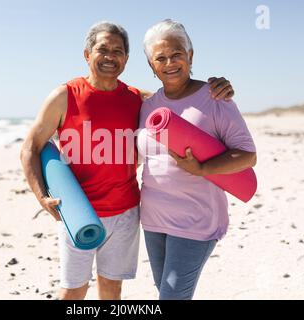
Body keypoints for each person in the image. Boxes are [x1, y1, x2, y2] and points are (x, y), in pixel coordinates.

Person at [20, 21, 235, 300]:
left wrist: (215, 88)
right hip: (79, 211)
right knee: (72, 291)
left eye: (118, 51)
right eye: (103, 49)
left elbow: (179, 96)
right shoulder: (65, 96)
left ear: (127, 59)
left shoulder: (139, 100)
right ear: (87, 54)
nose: (110, 56)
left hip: (126, 213)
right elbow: (30, 148)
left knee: (112, 290)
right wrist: (41, 197)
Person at [138, 19, 257, 300]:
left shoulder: (216, 98)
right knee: (166, 293)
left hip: (196, 221)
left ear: (190, 55)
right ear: (151, 67)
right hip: (153, 219)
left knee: (172, 297)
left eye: (177, 54)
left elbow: (247, 155)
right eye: (160, 58)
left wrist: (203, 168)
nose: (170, 62)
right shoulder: (147, 105)